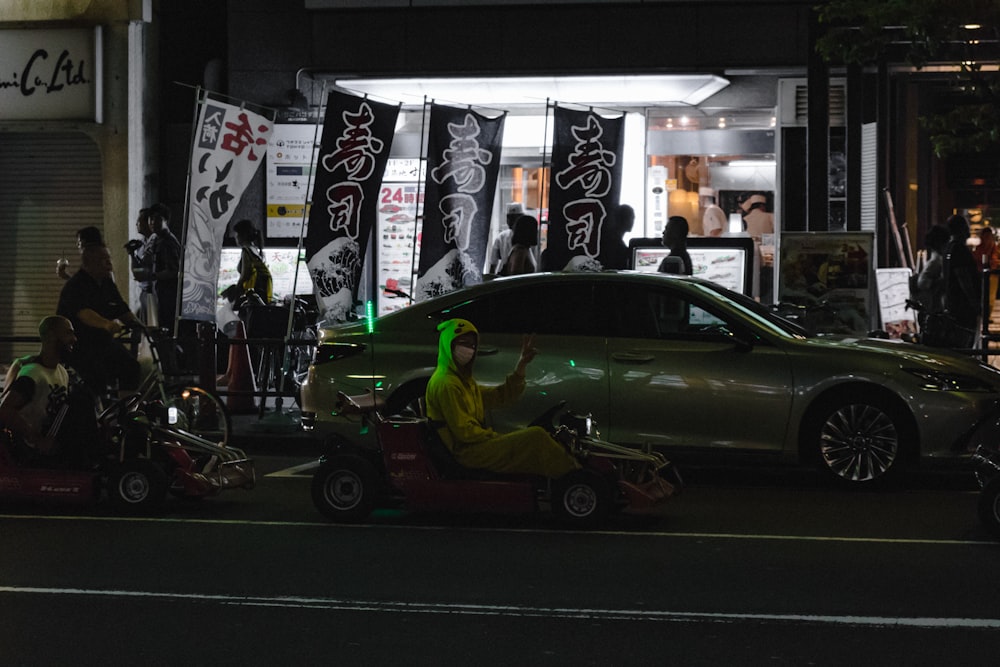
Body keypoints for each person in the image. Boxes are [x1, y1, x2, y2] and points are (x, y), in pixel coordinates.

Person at [424, 318, 581, 479]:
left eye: (472, 345)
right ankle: (575, 477)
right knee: (536, 437)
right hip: (467, 453)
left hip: (475, 446)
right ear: (448, 345)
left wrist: (521, 366)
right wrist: (499, 438)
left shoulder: (463, 381)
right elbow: (465, 432)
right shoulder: (446, 383)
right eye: (462, 343)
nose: (468, 349)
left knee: (537, 435)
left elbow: (500, 396)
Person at [0, 316, 99, 466]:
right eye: (68, 333)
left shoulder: (62, 372)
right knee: (79, 401)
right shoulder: (33, 374)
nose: (74, 339)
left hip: (54, 437)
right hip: (35, 448)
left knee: (85, 396)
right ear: (52, 336)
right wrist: (37, 439)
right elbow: (6, 410)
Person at [56, 244, 143, 398]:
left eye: (109, 259)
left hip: (102, 342)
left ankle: (127, 412)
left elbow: (122, 310)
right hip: (77, 344)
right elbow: (83, 312)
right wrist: (106, 324)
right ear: (90, 263)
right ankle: (96, 415)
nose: (109, 264)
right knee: (96, 377)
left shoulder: (107, 283)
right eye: (103, 260)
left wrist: (143, 327)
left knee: (131, 367)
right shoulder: (76, 285)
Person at [943, 214, 981, 347]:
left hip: (952, 305)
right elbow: (963, 278)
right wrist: (975, 302)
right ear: (961, 229)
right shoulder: (960, 250)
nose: (968, 230)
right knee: (965, 344)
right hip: (963, 307)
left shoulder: (948, 248)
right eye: (966, 227)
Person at [910, 224, 950, 335]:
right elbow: (922, 283)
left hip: (933, 309)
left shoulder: (937, 260)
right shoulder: (936, 262)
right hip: (934, 310)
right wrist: (942, 282)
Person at [222, 219, 272, 305]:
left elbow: (245, 274)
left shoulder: (246, 251)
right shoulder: (254, 249)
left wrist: (236, 290)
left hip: (254, 293)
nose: (235, 237)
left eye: (236, 235)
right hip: (261, 293)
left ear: (243, 235)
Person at [148, 203, 181, 329]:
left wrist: (152, 275)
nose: (152, 222)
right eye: (150, 219)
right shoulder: (157, 239)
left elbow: (174, 271)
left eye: (157, 219)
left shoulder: (168, 242)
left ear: (166, 220)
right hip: (161, 295)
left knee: (167, 329)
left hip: (169, 297)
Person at [125, 207, 155, 325]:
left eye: (139, 220)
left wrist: (133, 255)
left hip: (152, 292)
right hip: (144, 291)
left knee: (152, 327)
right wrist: (133, 254)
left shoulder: (154, 243)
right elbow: (137, 271)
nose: (136, 223)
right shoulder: (142, 244)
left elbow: (140, 271)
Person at [972, 225, 1000, 320]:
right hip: (982, 275)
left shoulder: (993, 247)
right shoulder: (980, 248)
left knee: (990, 297)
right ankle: (984, 317)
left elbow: (994, 260)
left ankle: (986, 317)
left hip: (991, 275)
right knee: (984, 296)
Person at [487, 202, 523, 274]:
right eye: (509, 217)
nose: (511, 221)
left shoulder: (527, 238)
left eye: (515, 218)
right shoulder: (501, 237)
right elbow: (493, 264)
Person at [599, 204, 635, 270]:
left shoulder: (609, 239)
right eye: (632, 218)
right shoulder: (617, 245)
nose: (633, 221)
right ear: (623, 219)